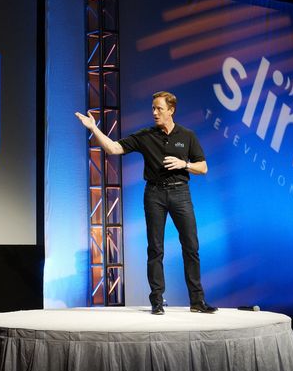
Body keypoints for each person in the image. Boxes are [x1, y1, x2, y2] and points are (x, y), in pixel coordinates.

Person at [75, 91, 217, 315]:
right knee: (155, 249)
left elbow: (203, 167)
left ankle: (197, 301)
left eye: (159, 108)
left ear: (171, 110)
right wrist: (94, 129)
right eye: (153, 108)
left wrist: (184, 164)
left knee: (191, 247)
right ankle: (157, 301)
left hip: (180, 194)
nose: (154, 112)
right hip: (154, 195)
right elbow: (113, 148)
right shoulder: (145, 135)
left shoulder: (187, 135)